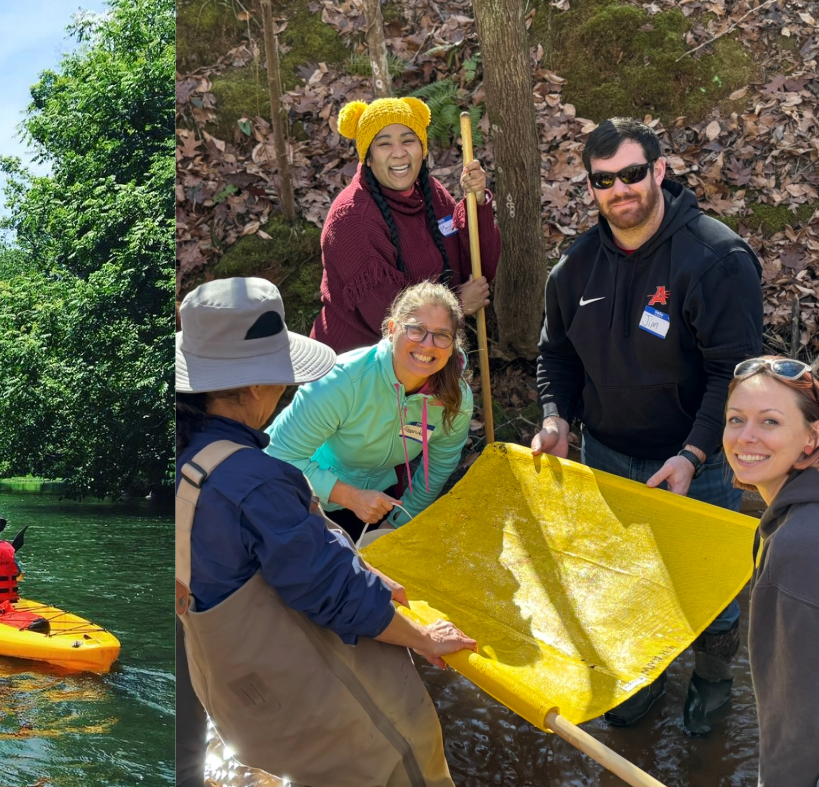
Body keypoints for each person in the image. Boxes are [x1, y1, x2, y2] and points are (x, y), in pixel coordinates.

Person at [178, 276, 476, 787]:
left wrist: (367, 554)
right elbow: (330, 591)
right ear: (258, 381)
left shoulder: (191, 457)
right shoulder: (255, 480)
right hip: (306, 701)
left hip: (244, 703)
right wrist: (422, 637)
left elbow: (284, 557)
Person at [532, 117, 764, 733]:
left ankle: (712, 685)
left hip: (702, 461)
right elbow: (555, 355)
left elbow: (736, 376)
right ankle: (645, 674)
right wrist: (557, 418)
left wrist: (692, 452)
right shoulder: (574, 270)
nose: (620, 190)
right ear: (591, 188)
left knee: (708, 593)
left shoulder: (717, 259)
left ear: (659, 171)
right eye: (604, 180)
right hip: (609, 456)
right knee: (628, 581)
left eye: (633, 174)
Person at [719, 356, 819, 787]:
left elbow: (796, 715)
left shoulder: (800, 551)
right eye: (736, 419)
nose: (745, 437)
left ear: (813, 438)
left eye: (770, 422)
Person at [266, 282, 473, 540]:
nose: (428, 345)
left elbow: (438, 466)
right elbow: (277, 457)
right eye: (416, 330)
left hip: (376, 503)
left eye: (442, 335)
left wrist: (398, 523)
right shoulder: (341, 381)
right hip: (297, 493)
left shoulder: (456, 396)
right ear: (392, 329)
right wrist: (350, 497)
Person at [312, 96, 497, 355]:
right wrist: (456, 306)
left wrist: (476, 204)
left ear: (422, 148)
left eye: (408, 140)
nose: (399, 152)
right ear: (368, 156)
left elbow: (480, 269)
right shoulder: (352, 221)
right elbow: (390, 321)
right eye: (384, 144)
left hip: (424, 356)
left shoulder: (429, 192)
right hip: (360, 371)